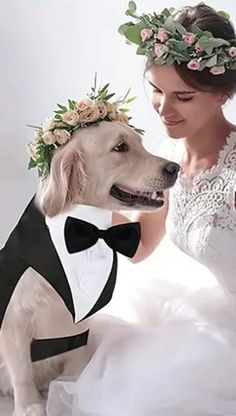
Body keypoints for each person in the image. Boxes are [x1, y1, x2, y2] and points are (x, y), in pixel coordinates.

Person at [46, 3, 236, 415]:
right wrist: (83, 187)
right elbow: (142, 244)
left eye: (183, 96)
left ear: (223, 92)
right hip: (213, 314)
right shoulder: (167, 158)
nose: (164, 109)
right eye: (156, 89)